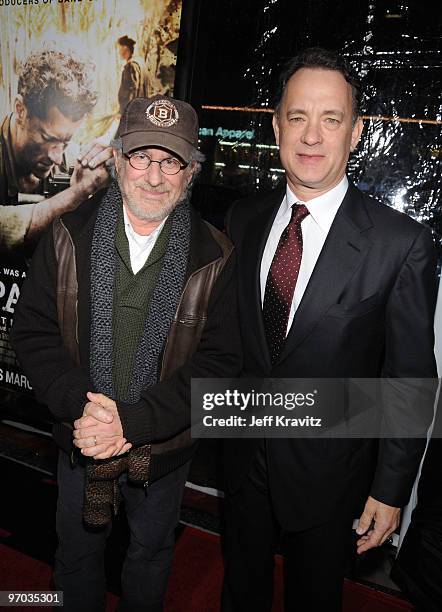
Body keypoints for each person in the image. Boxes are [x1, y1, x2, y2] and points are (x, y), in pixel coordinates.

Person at [222, 47, 437, 612]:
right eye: (297, 117)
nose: (312, 135)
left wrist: (390, 491)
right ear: (275, 126)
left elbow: (410, 378)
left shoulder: (400, 244)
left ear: (356, 130)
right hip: (242, 461)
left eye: (331, 118)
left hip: (330, 479)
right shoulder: (242, 220)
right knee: (239, 590)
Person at [11, 94, 241, 612]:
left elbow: (219, 366)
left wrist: (133, 422)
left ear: (192, 172)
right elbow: (33, 332)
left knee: (150, 556)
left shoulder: (217, 256)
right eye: (141, 156)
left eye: (171, 161)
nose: (154, 175)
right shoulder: (67, 234)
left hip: (162, 452)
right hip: (81, 436)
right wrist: (86, 410)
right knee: (74, 556)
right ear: (116, 160)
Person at [0, 48, 112, 253]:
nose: (57, 157)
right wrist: (77, 194)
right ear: (20, 109)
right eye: (47, 138)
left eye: (66, 142)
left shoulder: (73, 161)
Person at [117, 35, 143, 115]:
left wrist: (128, 111)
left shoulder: (131, 66)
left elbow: (133, 90)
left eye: (120, 48)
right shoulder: (137, 63)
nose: (119, 52)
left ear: (125, 48)